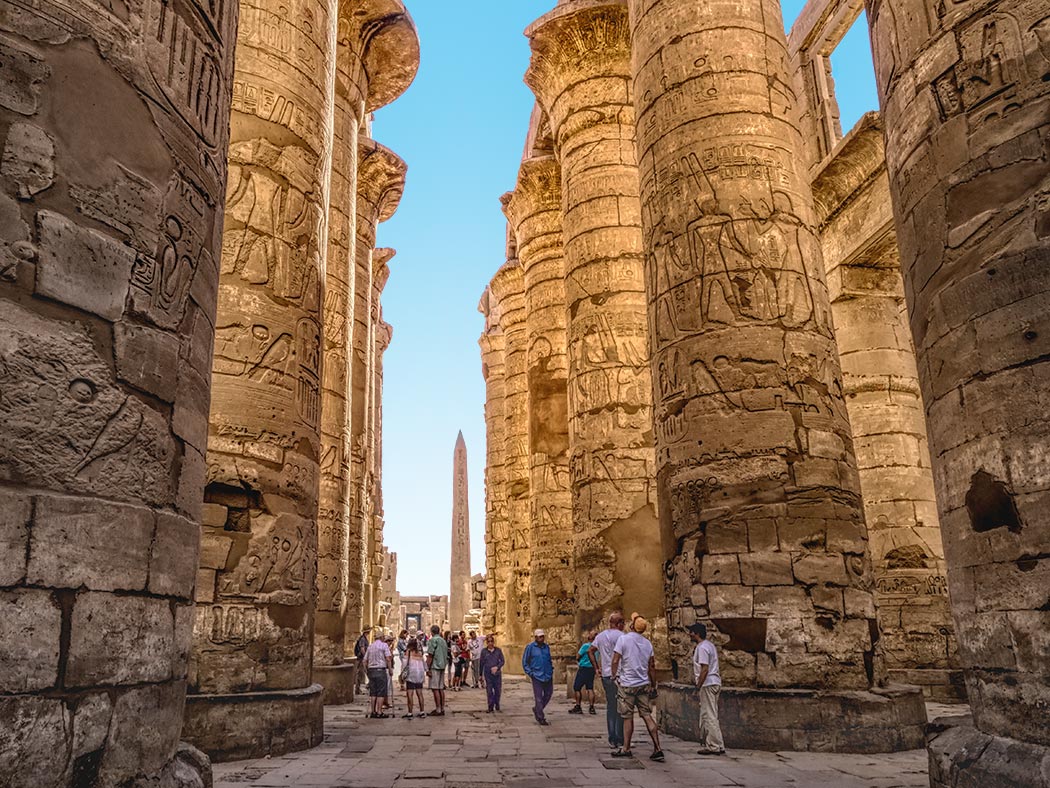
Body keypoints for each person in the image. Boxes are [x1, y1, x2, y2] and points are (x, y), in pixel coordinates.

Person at [610, 616, 663, 762]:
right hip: (643, 683)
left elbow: (615, 660)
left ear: (632, 626)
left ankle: (626, 748)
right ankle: (657, 747)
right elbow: (651, 666)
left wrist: (614, 676)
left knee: (627, 717)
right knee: (646, 714)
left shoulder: (623, 639)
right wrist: (653, 684)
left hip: (627, 684)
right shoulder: (648, 643)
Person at [689, 622, 726, 755]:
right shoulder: (710, 645)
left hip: (708, 683)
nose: (690, 635)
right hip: (714, 682)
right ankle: (718, 744)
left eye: (692, 632)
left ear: (697, 633)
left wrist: (698, 686)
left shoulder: (702, 648)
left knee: (709, 715)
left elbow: (705, 669)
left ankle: (713, 746)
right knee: (712, 714)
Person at [593, 612, 625, 749]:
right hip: (619, 675)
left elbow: (590, 650)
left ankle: (612, 738)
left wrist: (596, 668)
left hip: (606, 675)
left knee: (611, 706)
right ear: (619, 624)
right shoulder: (623, 637)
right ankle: (620, 737)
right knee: (621, 707)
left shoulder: (600, 636)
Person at [522, 629, 554, 725]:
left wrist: (551, 669)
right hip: (536, 675)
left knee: (548, 694)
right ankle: (540, 717)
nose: (541, 638)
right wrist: (530, 673)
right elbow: (525, 662)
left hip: (547, 674)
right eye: (539, 637)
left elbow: (549, 659)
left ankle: (537, 709)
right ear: (535, 637)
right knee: (538, 697)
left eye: (542, 636)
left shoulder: (546, 647)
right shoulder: (530, 647)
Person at [364, 632, 393, 719]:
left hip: (371, 671)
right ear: (382, 637)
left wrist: (367, 671)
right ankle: (379, 711)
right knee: (381, 692)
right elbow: (388, 658)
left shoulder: (370, 646)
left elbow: (364, 661)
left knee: (373, 692)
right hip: (381, 670)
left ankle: (373, 712)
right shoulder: (384, 646)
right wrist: (390, 669)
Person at [570, 631, 598, 715]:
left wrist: (579, 660)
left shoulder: (586, 646)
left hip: (584, 668)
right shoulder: (597, 647)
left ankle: (578, 706)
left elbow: (578, 656)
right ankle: (591, 707)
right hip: (592, 668)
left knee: (577, 687)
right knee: (590, 688)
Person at [426, 625, 449, 716]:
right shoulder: (443, 640)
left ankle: (438, 708)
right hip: (442, 665)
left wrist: (427, 667)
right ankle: (442, 708)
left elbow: (430, 654)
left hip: (435, 666)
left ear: (432, 632)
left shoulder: (432, 640)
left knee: (435, 688)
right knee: (440, 688)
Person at [479, 634, 505, 712]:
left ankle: (497, 703)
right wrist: (480, 675)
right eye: (488, 641)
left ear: (493, 642)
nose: (490, 643)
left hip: (497, 674)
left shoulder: (498, 651)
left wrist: (497, 667)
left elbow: (502, 661)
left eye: (491, 641)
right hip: (488, 674)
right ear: (487, 642)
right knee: (489, 690)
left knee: (497, 690)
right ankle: (490, 706)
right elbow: (481, 663)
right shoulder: (484, 651)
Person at [402, 638, 427, 719]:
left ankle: (410, 713)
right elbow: (424, 663)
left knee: (410, 694)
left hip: (411, 675)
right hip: (419, 675)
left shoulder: (408, 652)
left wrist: (402, 674)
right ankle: (422, 711)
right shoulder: (419, 653)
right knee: (420, 693)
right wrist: (427, 671)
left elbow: (404, 664)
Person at [353, 627, 372, 694]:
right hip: (361, 659)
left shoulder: (364, 638)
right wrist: (365, 657)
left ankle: (368, 686)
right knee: (362, 673)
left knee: (364, 672)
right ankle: (358, 689)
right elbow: (362, 649)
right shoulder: (363, 639)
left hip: (362, 658)